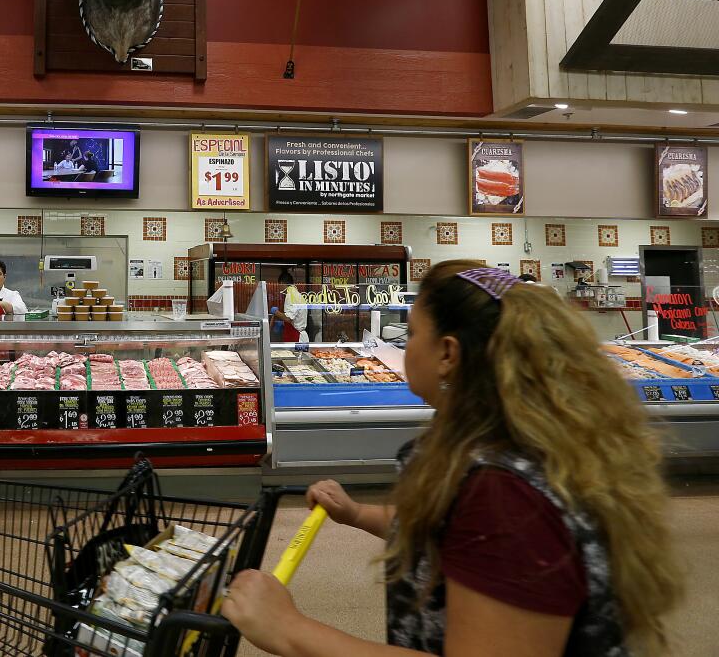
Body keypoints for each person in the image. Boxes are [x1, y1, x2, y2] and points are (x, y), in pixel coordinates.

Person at [223, 260, 682, 656]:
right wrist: (359, 513)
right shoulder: (494, 447)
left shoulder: (505, 497)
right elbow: (459, 537)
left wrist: (290, 630)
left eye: (413, 333)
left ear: (447, 353)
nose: (403, 347)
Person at [271, 269, 308, 343]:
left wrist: (276, 312)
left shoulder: (291, 294)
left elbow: (288, 318)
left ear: (281, 283)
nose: (279, 288)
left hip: (296, 337)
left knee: (293, 355)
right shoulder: (295, 293)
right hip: (297, 334)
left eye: (279, 285)